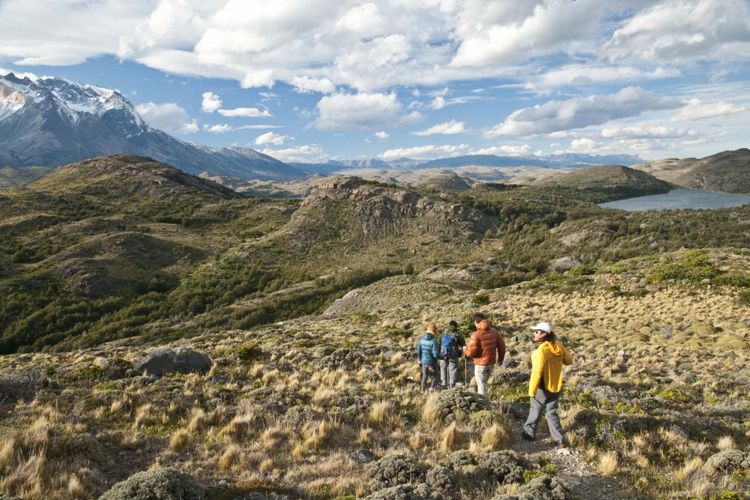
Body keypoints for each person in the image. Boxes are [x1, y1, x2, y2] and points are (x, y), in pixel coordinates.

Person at [522, 322, 573, 448]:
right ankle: (560, 440)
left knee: (535, 409)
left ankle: (529, 434)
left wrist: (531, 391)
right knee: (551, 413)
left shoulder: (540, 351)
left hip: (542, 387)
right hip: (556, 386)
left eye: (537, 331)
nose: (534, 333)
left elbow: (537, 372)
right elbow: (569, 361)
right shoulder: (558, 346)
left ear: (544, 334)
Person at [463, 313, 505, 397]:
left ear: (475, 322)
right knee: (485, 383)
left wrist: (465, 349)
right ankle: (487, 400)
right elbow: (502, 346)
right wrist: (500, 359)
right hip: (491, 363)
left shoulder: (475, 334)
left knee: (481, 385)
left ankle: (485, 405)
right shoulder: (495, 331)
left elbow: (471, 352)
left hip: (480, 364)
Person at [439, 320, 465, 389]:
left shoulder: (443, 334)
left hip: (443, 355)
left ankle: (443, 385)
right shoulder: (457, 335)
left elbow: (439, 344)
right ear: (456, 327)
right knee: (452, 370)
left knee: (443, 369)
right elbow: (462, 344)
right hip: (453, 356)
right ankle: (451, 386)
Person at [416, 324, 440, 391]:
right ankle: (431, 389)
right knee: (435, 375)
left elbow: (418, 351)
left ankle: (422, 390)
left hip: (423, 361)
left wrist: (419, 359)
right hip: (432, 362)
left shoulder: (421, 339)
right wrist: (441, 357)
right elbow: (435, 354)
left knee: (425, 376)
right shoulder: (434, 341)